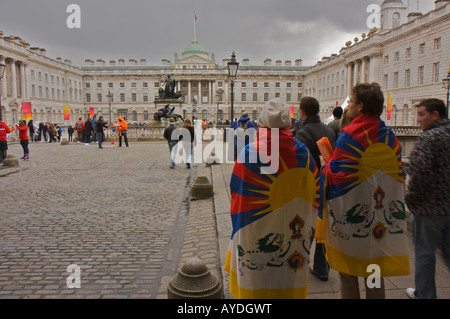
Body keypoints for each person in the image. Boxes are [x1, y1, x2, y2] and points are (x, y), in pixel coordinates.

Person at [316, 83, 410, 299]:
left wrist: (326, 163)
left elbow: (337, 177)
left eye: (350, 100)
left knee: (348, 274)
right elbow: (395, 178)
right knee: (374, 272)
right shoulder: (390, 137)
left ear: (360, 106)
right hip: (380, 220)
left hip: (354, 219)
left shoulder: (350, 135)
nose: (348, 104)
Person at [224, 98, 319, 299]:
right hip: (293, 239)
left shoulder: (249, 153)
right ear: (290, 125)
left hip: (253, 234)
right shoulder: (304, 154)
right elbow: (314, 195)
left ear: (260, 124)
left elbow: (237, 197)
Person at [405, 98, 450, 299]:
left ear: (435, 115)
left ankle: (424, 294)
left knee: (424, 256)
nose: (418, 120)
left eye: (422, 114)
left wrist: (410, 200)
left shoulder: (429, 137)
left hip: (429, 209)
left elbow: (419, 174)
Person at [295, 96, 336, 282]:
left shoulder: (302, 133)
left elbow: (302, 167)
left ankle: (299, 262)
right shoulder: (330, 130)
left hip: (310, 188)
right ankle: (321, 267)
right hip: (329, 184)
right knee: (324, 226)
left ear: (302, 111)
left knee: (305, 228)